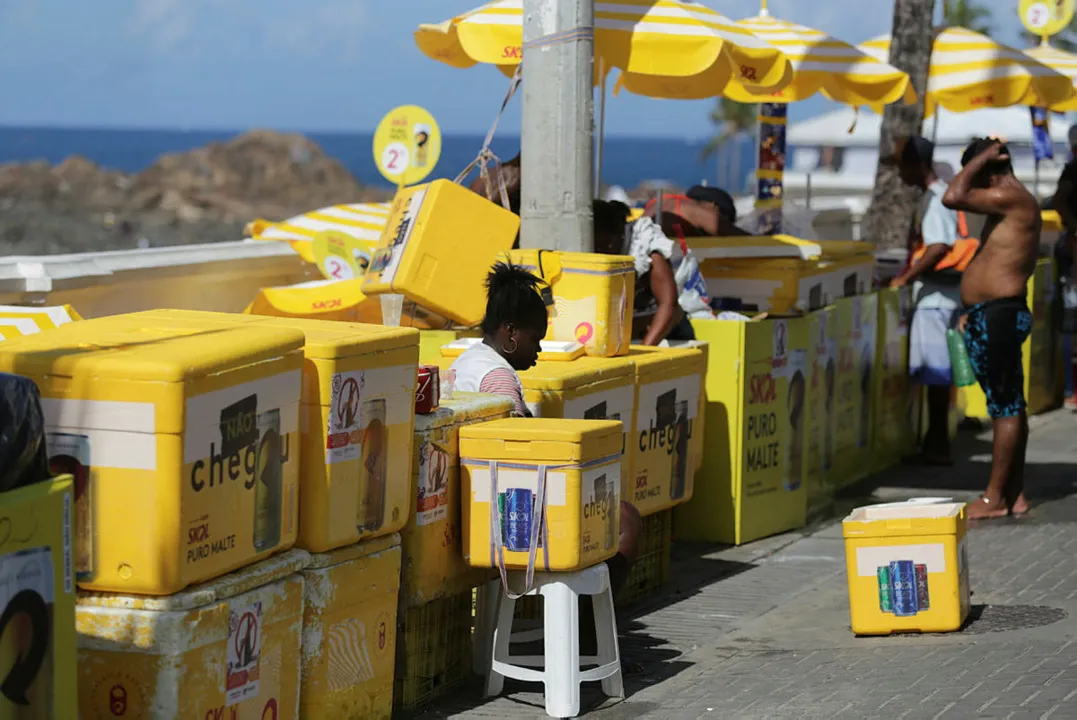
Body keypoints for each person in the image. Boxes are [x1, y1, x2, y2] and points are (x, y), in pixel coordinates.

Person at [450, 261, 641, 603]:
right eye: (535, 339)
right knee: (623, 517)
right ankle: (587, 627)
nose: (538, 351)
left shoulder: (466, 361)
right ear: (510, 332)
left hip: (478, 501)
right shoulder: (498, 379)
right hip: (504, 513)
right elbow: (516, 459)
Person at [943, 137, 1041, 519]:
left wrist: (980, 159)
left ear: (987, 172)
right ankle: (1013, 494)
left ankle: (995, 497)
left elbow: (952, 196)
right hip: (992, 313)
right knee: (1011, 405)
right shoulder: (1009, 204)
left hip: (999, 314)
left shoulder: (1010, 198)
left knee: (1005, 408)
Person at [891, 136, 976, 465]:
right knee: (938, 374)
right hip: (944, 296)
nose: (900, 173)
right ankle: (934, 440)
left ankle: (937, 444)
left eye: (902, 165)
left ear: (916, 165)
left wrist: (906, 276)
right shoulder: (940, 195)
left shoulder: (934, 198)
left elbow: (939, 245)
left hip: (935, 299)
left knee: (936, 373)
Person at [594, 199, 687, 344]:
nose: (599, 252)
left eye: (601, 246)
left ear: (615, 236)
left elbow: (669, 304)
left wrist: (645, 350)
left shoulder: (647, 248)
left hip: (664, 336)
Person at [1050, 125, 1077, 405]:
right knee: (1071, 320)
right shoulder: (1072, 170)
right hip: (1073, 254)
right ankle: (1071, 387)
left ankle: (1070, 388)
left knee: (1071, 320)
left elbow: (1059, 200)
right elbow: (1060, 201)